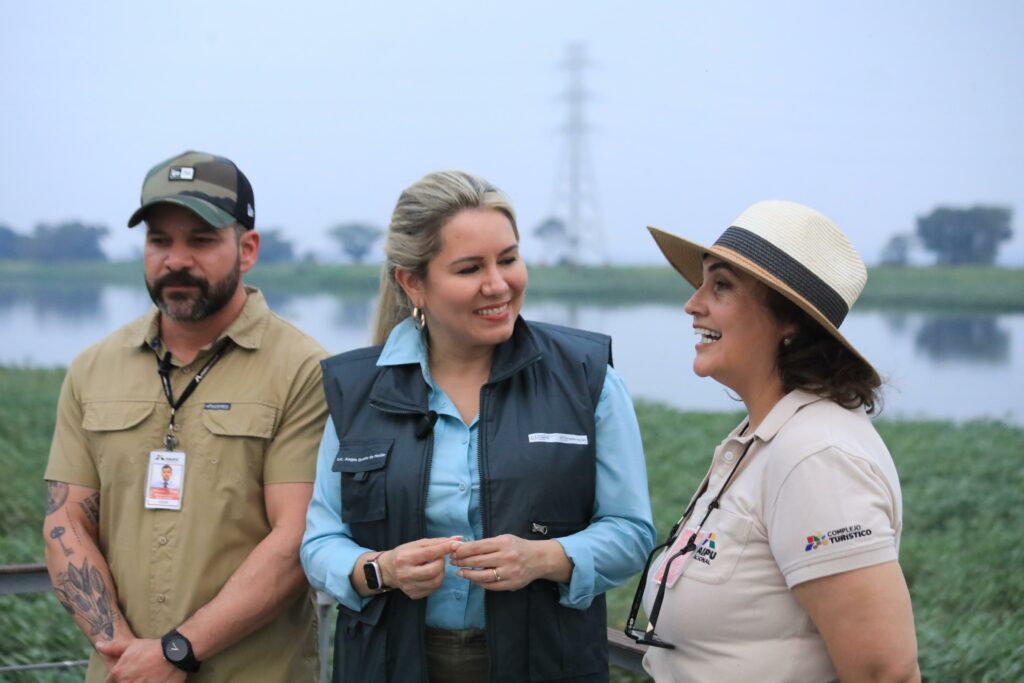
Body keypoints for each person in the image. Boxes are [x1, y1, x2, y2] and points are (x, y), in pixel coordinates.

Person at [301, 170, 656, 682]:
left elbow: (630, 532)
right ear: (412, 283)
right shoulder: (357, 388)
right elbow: (320, 544)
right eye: (470, 269)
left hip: (544, 664)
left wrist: (545, 558)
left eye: (508, 259)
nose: (498, 284)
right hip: (388, 664)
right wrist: (381, 570)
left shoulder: (587, 377)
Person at [42, 151, 328, 682]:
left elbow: (297, 537)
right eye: (159, 241)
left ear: (248, 248)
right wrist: (121, 651)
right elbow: (66, 519)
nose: (176, 260)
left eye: (200, 240)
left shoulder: (304, 369)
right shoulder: (93, 368)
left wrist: (177, 651)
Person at [627, 200, 920, 682]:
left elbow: (884, 672)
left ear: (790, 321)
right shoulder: (765, 435)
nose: (692, 303)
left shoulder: (816, 457)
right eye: (701, 282)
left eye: (721, 285)